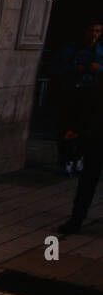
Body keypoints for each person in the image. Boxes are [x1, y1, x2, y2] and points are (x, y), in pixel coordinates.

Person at [51, 21, 103, 176]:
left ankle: (78, 156)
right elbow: (55, 67)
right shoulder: (70, 49)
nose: (94, 35)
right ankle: (67, 158)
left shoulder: (100, 50)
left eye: (98, 31)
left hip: (91, 93)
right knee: (66, 126)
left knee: (85, 128)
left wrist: (99, 69)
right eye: (91, 30)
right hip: (72, 91)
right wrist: (75, 69)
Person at [58, 76, 103, 236]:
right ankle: (76, 219)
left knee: (88, 181)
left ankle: (76, 220)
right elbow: (91, 107)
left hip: (95, 138)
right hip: (96, 138)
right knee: (88, 180)